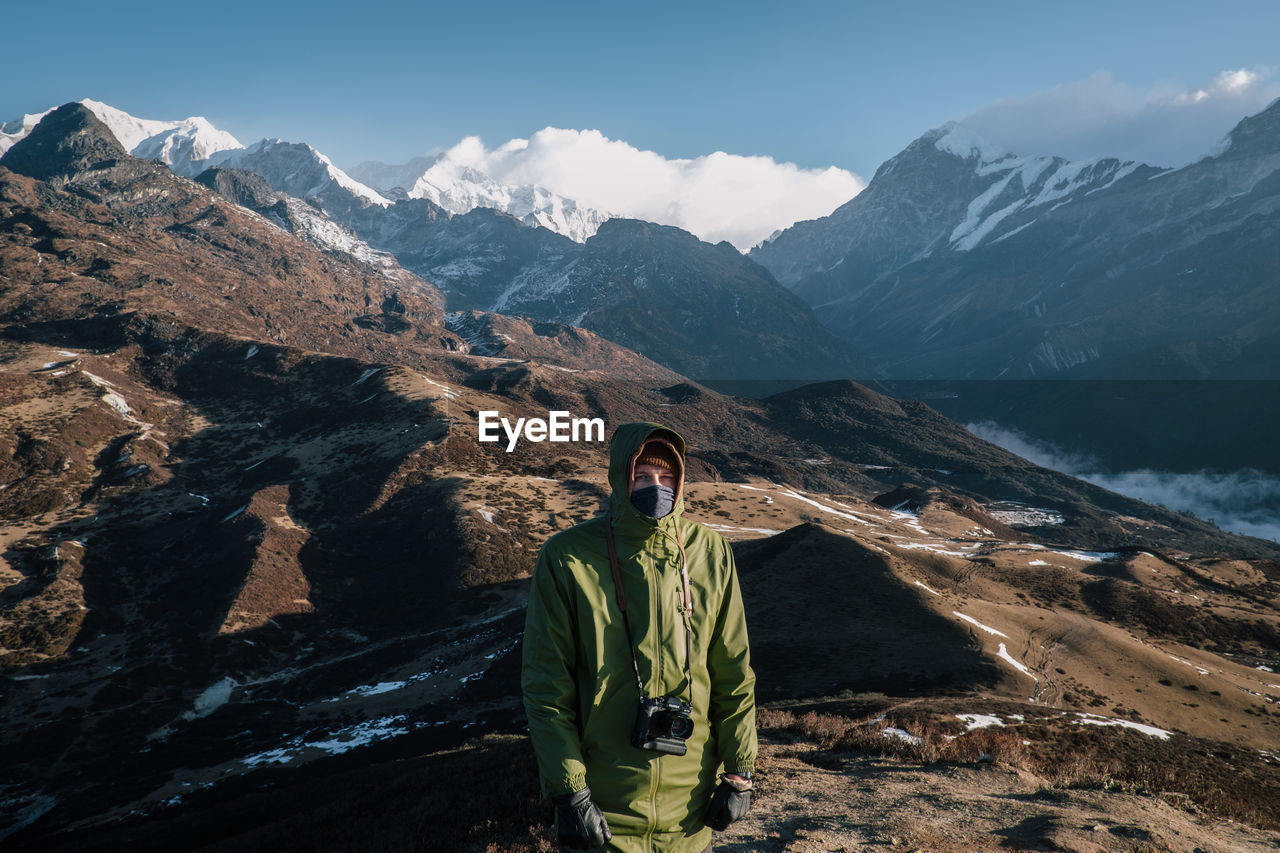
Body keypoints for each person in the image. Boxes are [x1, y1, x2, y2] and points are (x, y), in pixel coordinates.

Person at [522, 422, 757, 852]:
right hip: (603, 814)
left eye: (667, 478)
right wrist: (569, 790)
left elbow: (733, 673)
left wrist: (740, 772)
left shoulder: (711, 552)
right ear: (619, 477)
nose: (656, 487)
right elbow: (546, 687)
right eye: (642, 476)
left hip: (691, 814)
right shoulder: (568, 557)